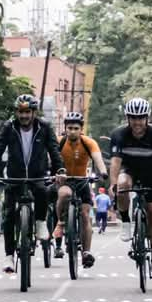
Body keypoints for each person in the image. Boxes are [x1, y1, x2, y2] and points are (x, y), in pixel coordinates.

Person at [0, 94, 67, 274]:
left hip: (38, 173)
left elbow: (53, 149)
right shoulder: (9, 127)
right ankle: (9, 256)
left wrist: (59, 170)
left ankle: (41, 222)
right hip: (14, 174)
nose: (24, 116)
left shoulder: (44, 127)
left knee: (42, 192)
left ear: (34, 112)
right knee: (9, 214)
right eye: (20, 112)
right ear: (16, 112)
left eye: (27, 112)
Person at [110, 97, 152, 279]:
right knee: (122, 184)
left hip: (150, 172)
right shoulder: (119, 134)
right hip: (128, 169)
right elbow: (115, 163)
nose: (137, 122)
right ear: (127, 118)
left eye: (141, 118)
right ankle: (126, 221)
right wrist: (113, 183)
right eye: (133, 118)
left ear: (148, 118)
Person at [51, 111, 107, 267]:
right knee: (64, 194)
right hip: (65, 181)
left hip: (83, 182)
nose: (72, 131)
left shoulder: (89, 142)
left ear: (81, 129)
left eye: (76, 128)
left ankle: (86, 252)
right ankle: (61, 223)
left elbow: (98, 158)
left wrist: (103, 172)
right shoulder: (59, 142)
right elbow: (49, 159)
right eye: (69, 128)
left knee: (85, 215)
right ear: (65, 128)